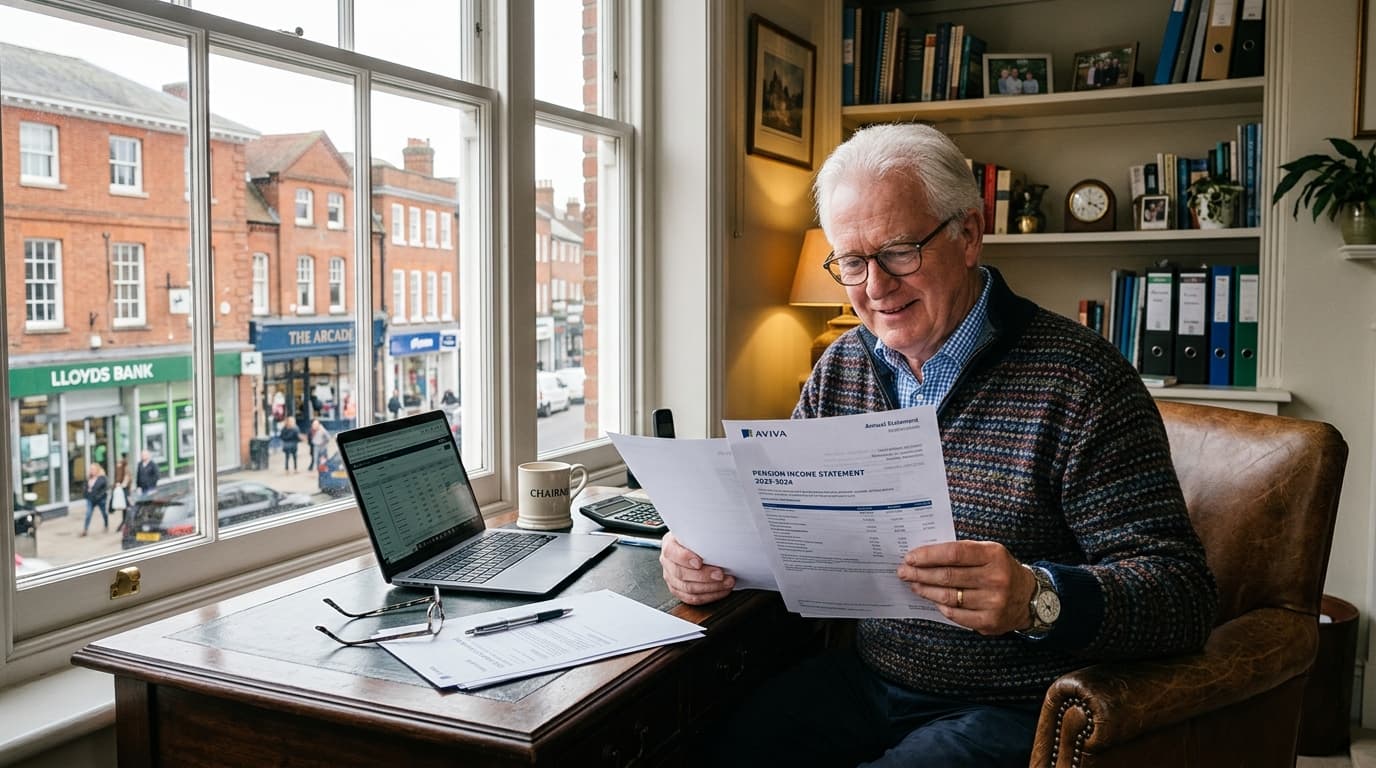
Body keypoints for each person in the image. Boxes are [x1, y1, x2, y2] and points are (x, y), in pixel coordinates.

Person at [659, 123, 1217, 767]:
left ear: (969, 234)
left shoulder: (1083, 380)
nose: (874, 287)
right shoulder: (841, 368)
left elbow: (1184, 596)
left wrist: (1036, 598)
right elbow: (786, 534)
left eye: (899, 251)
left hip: (1017, 706)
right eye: (852, 262)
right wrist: (705, 556)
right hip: (866, 681)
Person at [81, 463, 109, 537]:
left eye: (93, 469)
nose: (91, 470)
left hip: (100, 499)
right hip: (90, 499)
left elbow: (105, 489)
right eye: (90, 469)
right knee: (88, 514)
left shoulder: (102, 478)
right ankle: (85, 530)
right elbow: (84, 487)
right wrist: (85, 493)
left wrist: (99, 496)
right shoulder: (88, 478)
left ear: (97, 470)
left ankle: (106, 525)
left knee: (104, 513)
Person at [111, 453, 131, 529]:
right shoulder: (121, 466)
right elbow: (118, 477)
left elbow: (127, 478)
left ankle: (125, 523)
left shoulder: (124, 467)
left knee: (127, 506)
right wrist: (118, 484)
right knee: (126, 507)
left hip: (124, 489)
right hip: (122, 488)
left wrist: (121, 484)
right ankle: (124, 522)